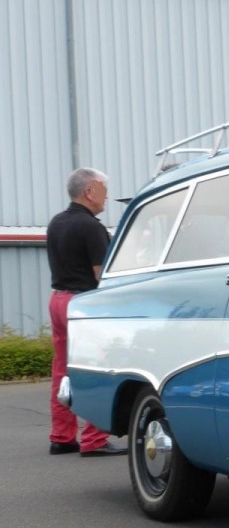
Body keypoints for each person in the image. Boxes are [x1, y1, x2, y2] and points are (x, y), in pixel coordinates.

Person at [46, 168, 127, 456]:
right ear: (90, 190)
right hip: (84, 302)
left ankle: (62, 437)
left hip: (59, 299)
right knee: (96, 368)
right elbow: (101, 275)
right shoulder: (92, 227)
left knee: (62, 369)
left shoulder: (56, 223)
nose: (107, 196)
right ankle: (95, 439)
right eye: (104, 189)